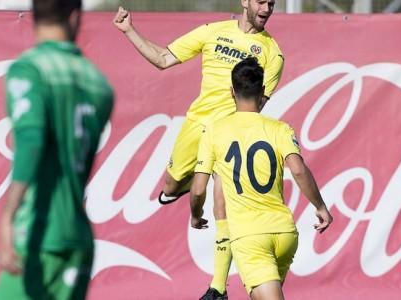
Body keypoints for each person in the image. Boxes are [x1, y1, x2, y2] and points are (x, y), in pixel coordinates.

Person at [113, 1, 283, 298]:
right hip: (196, 127)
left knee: (222, 202)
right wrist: (129, 30)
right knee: (170, 186)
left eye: (272, 2)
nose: (267, 8)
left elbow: (257, 106)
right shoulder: (212, 32)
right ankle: (187, 185)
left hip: (229, 134)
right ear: (244, 1)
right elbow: (164, 58)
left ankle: (217, 288)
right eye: (261, 1)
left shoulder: (273, 53)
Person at [0, 0, 114, 298]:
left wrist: (8, 215)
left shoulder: (29, 69)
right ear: (74, 17)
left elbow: (31, 140)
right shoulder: (99, 83)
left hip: (38, 234)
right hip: (78, 239)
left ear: (33, 15)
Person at [190, 57, 333, 300]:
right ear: (263, 91)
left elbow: (199, 188)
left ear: (231, 91)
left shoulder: (215, 131)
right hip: (285, 234)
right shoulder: (280, 128)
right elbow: (298, 169)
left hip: (250, 238)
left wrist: (195, 213)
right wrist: (320, 206)